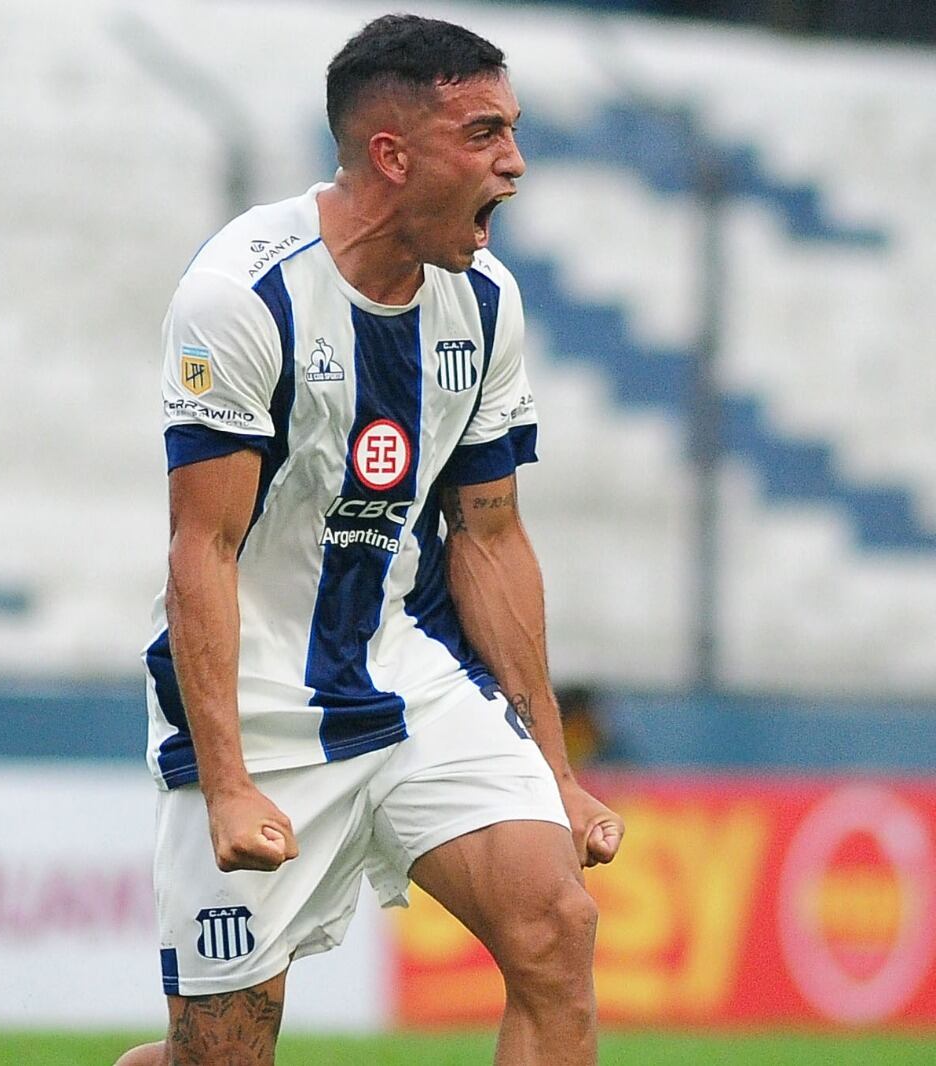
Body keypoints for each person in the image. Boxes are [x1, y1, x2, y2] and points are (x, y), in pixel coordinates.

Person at [118, 15, 623, 1066]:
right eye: (484, 133)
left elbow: (487, 536)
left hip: (408, 670)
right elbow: (199, 551)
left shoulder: (483, 302)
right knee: (218, 1054)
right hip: (258, 699)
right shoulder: (242, 293)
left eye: (512, 131)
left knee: (556, 929)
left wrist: (554, 771)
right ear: (392, 154)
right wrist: (226, 782)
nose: (514, 164)